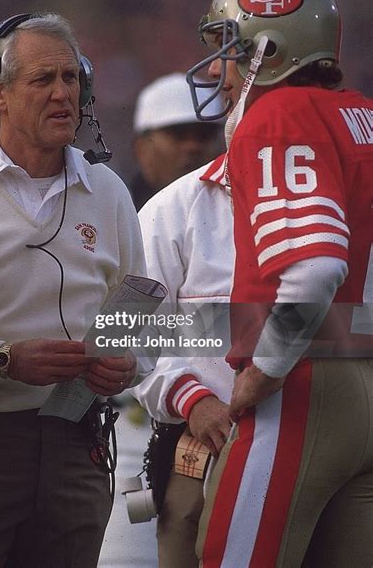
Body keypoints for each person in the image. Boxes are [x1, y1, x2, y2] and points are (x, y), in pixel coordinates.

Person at [0, 13, 151, 568]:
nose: (63, 94)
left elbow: (146, 321)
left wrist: (127, 365)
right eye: (41, 80)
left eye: (71, 78)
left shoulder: (108, 190)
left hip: (77, 443)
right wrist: (1, 360)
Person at [186, 0, 373, 567]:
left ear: (270, 50)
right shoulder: (359, 115)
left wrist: (263, 370)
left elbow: (316, 265)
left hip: (305, 383)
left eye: (230, 48)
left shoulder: (279, 115)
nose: (218, 68)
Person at [130, 151, 236, 568]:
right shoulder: (170, 208)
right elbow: (123, 333)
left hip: (325, 449)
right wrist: (193, 399)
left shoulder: (348, 197)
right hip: (199, 448)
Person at [130, 73, 224, 210]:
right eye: (178, 134)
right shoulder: (116, 213)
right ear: (141, 148)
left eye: (205, 135)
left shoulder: (235, 210)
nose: (193, 146)